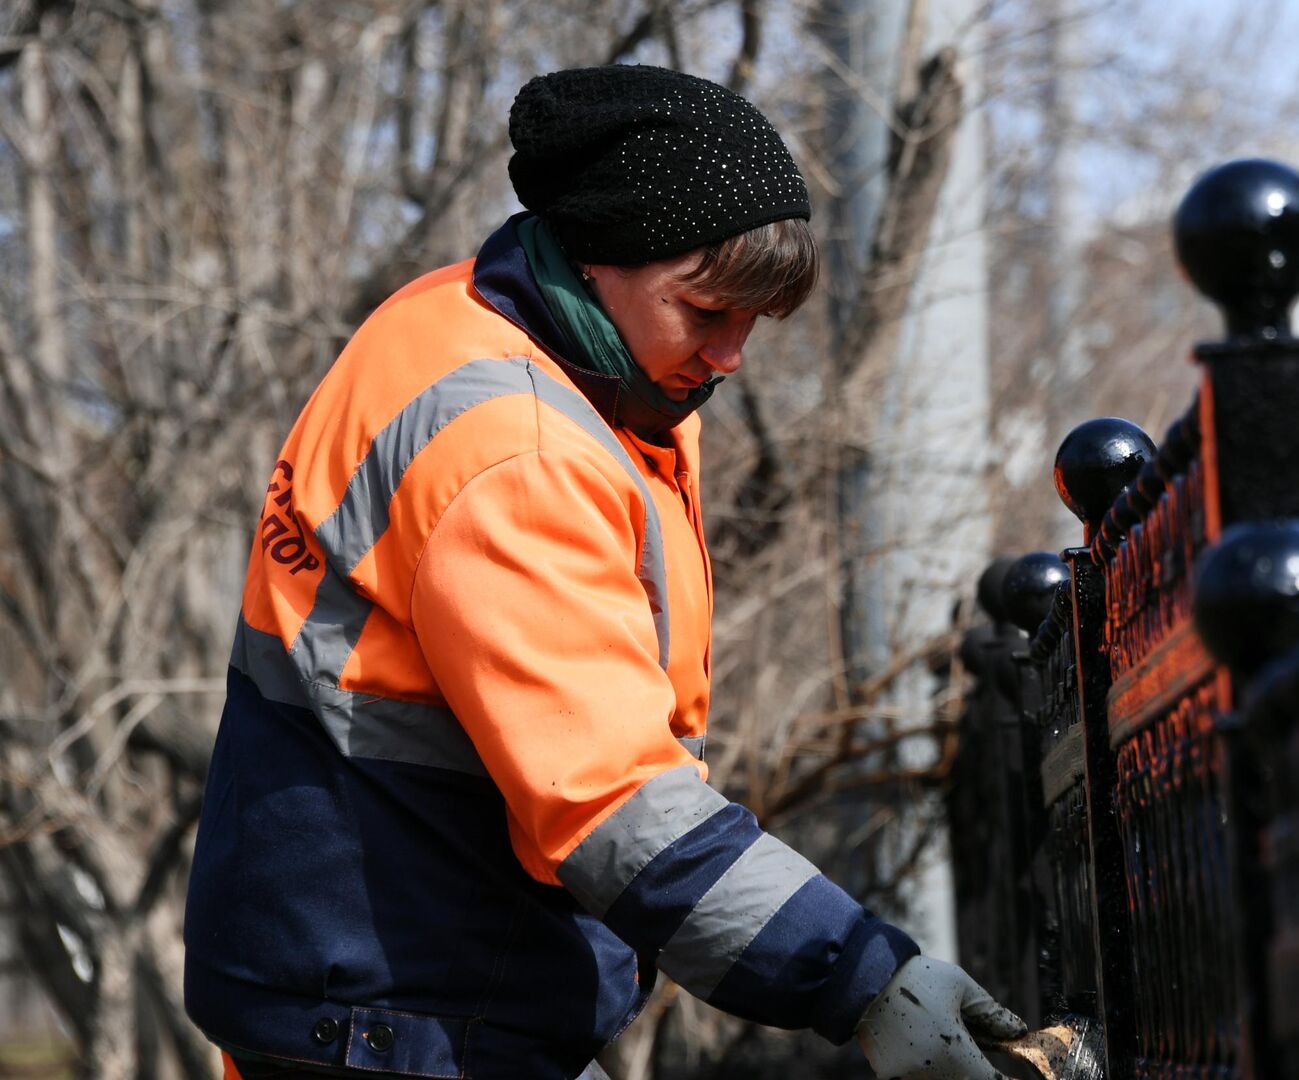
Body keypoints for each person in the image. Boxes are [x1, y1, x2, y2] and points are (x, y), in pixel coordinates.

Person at [182, 65, 1022, 1080]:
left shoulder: (530, 349)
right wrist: (868, 980)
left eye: (754, 323)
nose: (730, 357)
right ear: (595, 257)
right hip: (394, 1014)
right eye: (707, 311)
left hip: (381, 985)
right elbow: (614, 802)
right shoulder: (517, 446)